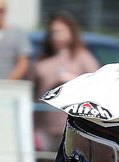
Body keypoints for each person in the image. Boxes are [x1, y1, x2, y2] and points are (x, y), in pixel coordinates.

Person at [31, 12, 99, 153]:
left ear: (71, 32)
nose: (56, 36)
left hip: (72, 125)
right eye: (53, 32)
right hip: (43, 125)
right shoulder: (42, 59)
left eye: (60, 31)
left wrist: (74, 79)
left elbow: (97, 83)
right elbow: (31, 88)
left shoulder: (82, 57)